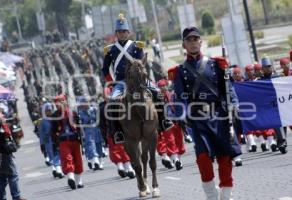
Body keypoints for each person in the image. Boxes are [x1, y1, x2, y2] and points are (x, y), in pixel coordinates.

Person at [170, 26, 241, 200]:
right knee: (203, 157)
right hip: (197, 118)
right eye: (189, 40)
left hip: (219, 114)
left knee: (225, 155)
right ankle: (211, 193)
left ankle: (226, 192)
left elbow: (228, 89)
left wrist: (233, 105)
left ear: (200, 42)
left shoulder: (216, 64)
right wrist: (182, 115)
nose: (193, 43)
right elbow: (180, 97)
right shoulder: (180, 71)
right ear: (184, 45)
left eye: (195, 39)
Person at [102, 13, 173, 143]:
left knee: (158, 93)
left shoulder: (136, 46)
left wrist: (143, 77)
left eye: (124, 31)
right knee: (112, 101)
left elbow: (142, 64)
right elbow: (105, 70)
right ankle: (117, 131)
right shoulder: (110, 50)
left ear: (128, 32)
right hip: (121, 81)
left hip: (139, 79)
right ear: (116, 33)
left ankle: (163, 120)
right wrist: (111, 83)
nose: (122, 34)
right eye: (119, 32)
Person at [51, 94, 84, 189]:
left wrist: (81, 133)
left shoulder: (73, 112)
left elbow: (79, 127)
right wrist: (55, 142)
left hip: (75, 139)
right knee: (67, 159)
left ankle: (79, 181)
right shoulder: (55, 115)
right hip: (63, 141)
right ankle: (71, 178)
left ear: (65, 102)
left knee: (78, 160)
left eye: (60, 102)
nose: (58, 105)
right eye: (56, 103)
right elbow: (53, 131)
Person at [0, 112, 26, 200]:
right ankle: (16, 196)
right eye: (0, 116)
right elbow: (5, 137)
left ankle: (2, 198)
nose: (3, 117)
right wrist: (6, 126)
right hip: (3, 155)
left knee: (2, 178)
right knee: (13, 175)